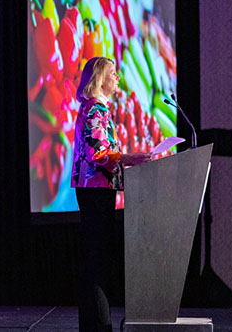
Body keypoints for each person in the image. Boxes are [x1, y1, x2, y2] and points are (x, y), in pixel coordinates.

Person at [71, 57, 150, 332]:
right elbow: (96, 154)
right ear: (98, 79)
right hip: (95, 191)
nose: (117, 77)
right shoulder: (96, 110)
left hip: (95, 189)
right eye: (112, 73)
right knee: (97, 260)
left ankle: (95, 325)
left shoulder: (95, 109)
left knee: (97, 259)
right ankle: (97, 327)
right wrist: (129, 158)